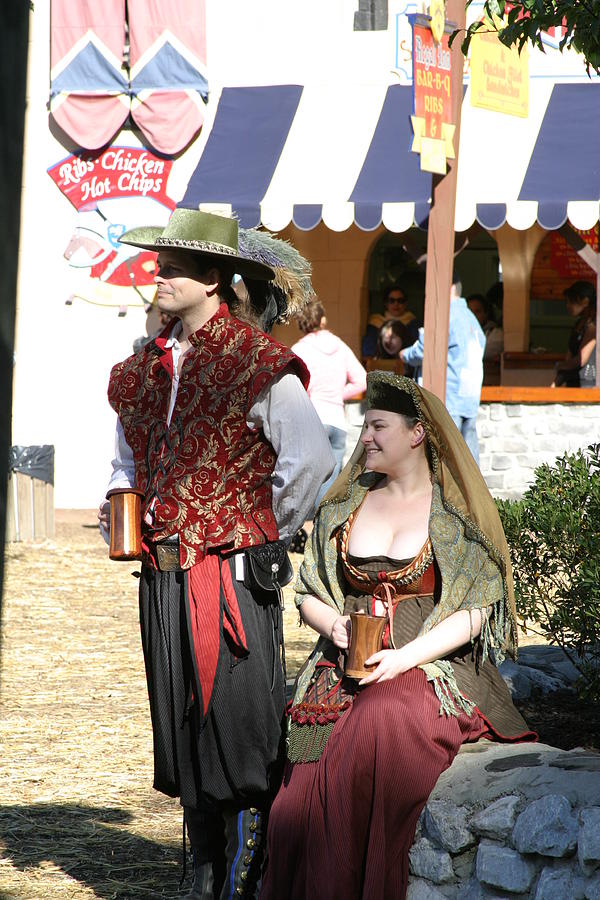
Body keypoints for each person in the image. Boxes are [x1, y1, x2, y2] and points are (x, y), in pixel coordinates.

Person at [98, 207, 335, 900]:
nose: (159, 276)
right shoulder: (142, 369)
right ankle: (199, 870)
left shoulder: (259, 363)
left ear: (212, 278)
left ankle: (241, 879)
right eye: (159, 264)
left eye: (173, 268)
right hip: (163, 575)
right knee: (181, 726)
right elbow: (125, 459)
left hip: (231, 578)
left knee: (238, 733)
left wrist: (258, 528)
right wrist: (129, 504)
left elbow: (311, 461)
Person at [259, 372, 536, 900]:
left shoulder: (452, 518)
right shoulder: (344, 507)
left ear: (416, 434)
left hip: (430, 665)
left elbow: (476, 611)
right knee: (295, 802)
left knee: (374, 726)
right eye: (365, 426)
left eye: (378, 426)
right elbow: (310, 592)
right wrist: (334, 624)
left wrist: (405, 657)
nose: (365, 437)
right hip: (342, 665)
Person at [400, 274, 485, 465]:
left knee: (444, 465)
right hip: (469, 396)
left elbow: (426, 349)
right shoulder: (471, 318)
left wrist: (405, 354)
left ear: (449, 287)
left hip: (449, 396)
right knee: (469, 464)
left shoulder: (446, 314)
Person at [291, 298, 366, 480]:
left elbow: (295, 389)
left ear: (301, 324)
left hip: (312, 421)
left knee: (310, 485)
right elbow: (363, 380)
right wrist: (338, 395)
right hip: (338, 422)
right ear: (323, 320)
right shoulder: (340, 346)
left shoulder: (299, 350)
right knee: (330, 489)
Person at [552, 280, 597, 388]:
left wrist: (559, 366)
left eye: (572, 301)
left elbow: (581, 359)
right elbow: (570, 355)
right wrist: (556, 382)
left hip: (587, 382)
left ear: (585, 301)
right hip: (572, 381)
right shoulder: (578, 324)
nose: (568, 305)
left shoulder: (594, 325)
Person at [362, 284, 419, 357]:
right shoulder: (375, 322)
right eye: (392, 301)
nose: (396, 304)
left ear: (405, 304)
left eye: (400, 301)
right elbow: (368, 349)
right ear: (386, 303)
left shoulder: (413, 323)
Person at [466, 292, 504, 361]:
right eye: (469, 312)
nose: (473, 316)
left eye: (477, 311)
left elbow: (481, 352)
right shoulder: (460, 332)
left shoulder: (496, 333)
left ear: (486, 314)